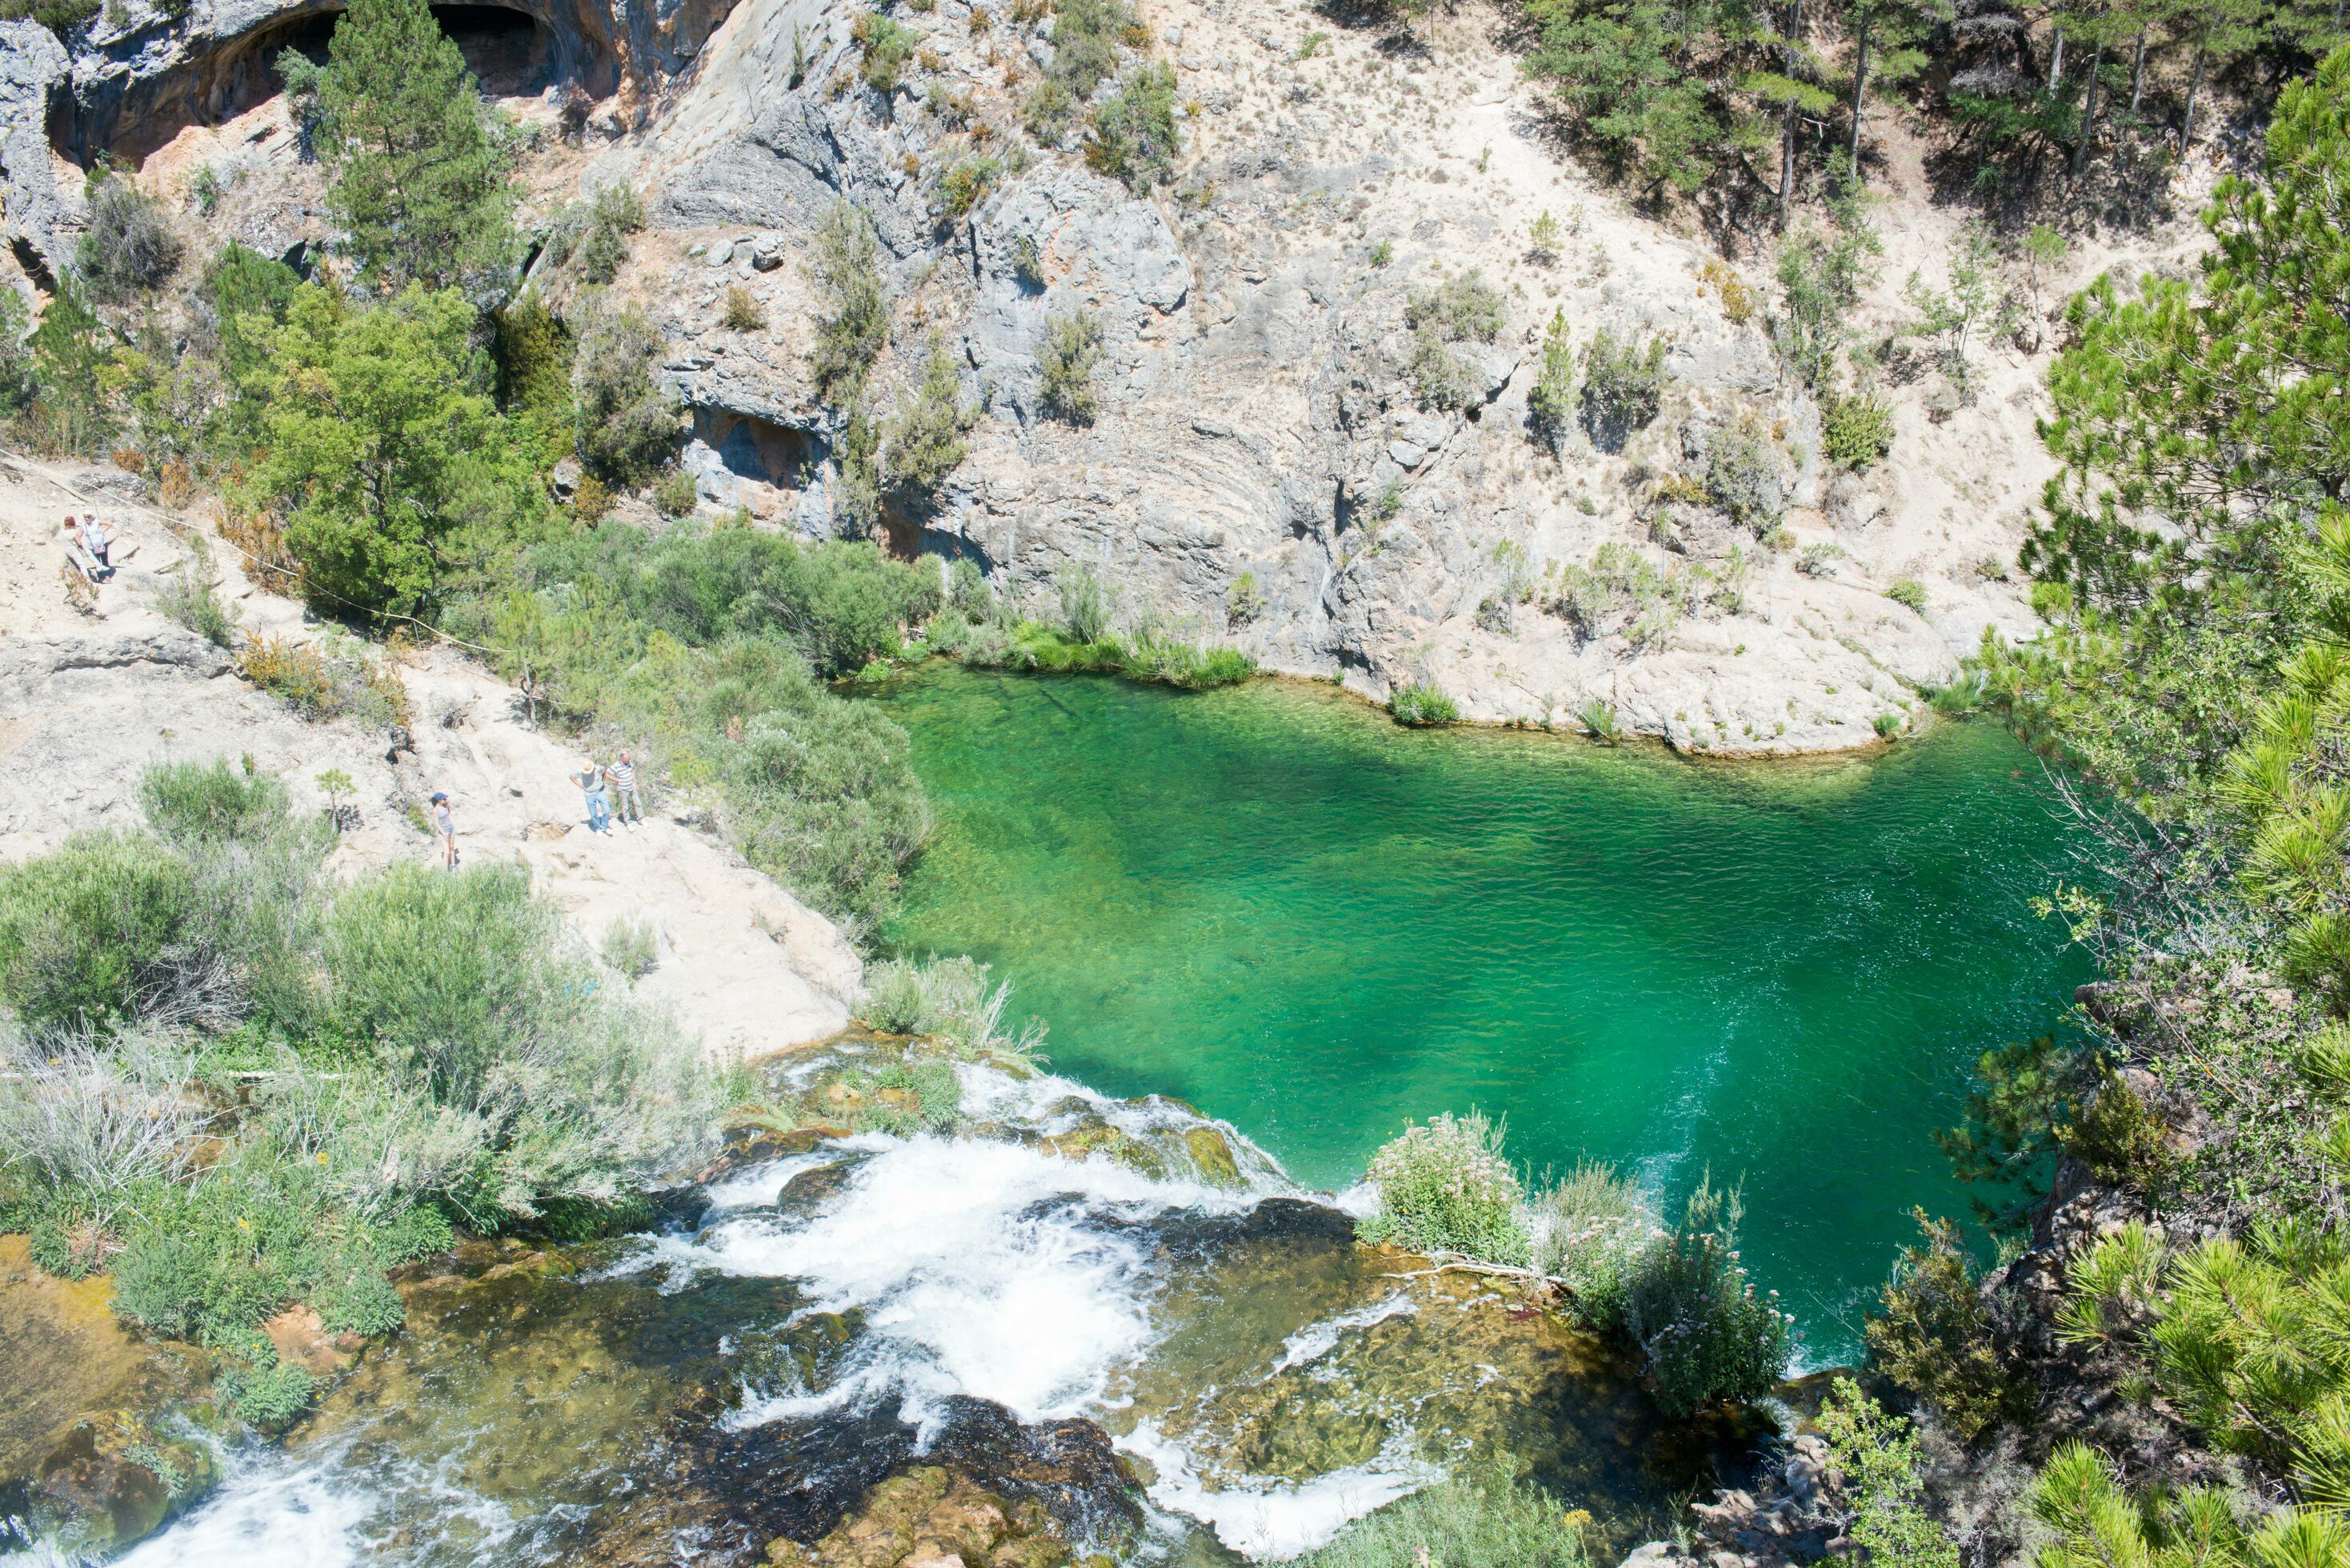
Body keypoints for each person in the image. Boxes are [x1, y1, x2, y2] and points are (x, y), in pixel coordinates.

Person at [607, 748, 643, 827]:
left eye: (629, 758)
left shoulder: (629, 763)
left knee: (638, 803)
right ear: (622, 758)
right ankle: (628, 823)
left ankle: (640, 819)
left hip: (631, 787)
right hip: (623, 790)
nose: (629, 760)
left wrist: (635, 784)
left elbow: (632, 772)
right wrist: (617, 779)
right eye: (627, 759)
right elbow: (607, 774)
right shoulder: (616, 766)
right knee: (625, 807)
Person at [576, 758, 611, 832]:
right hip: (589, 794)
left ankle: (604, 827)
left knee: (607, 810)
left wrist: (603, 779)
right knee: (593, 813)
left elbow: (605, 769)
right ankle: (598, 828)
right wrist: (580, 785)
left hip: (600, 792)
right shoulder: (580, 773)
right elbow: (571, 777)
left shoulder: (599, 769)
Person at [430, 791, 458, 870]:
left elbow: (449, 814)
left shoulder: (445, 806)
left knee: (452, 847)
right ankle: (445, 871)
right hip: (444, 831)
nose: (445, 799)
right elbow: (437, 824)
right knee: (447, 852)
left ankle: (453, 866)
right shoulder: (435, 810)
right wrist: (444, 833)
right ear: (439, 800)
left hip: (451, 829)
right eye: (444, 798)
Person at [80, 514, 114, 578]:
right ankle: (101, 578)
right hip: (92, 546)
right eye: (85, 517)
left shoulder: (96, 522)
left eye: (88, 517)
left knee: (104, 560)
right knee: (97, 562)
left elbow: (110, 524)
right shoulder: (83, 525)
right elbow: (79, 535)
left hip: (101, 544)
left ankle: (107, 576)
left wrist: (104, 531)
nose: (87, 518)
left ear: (91, 517)